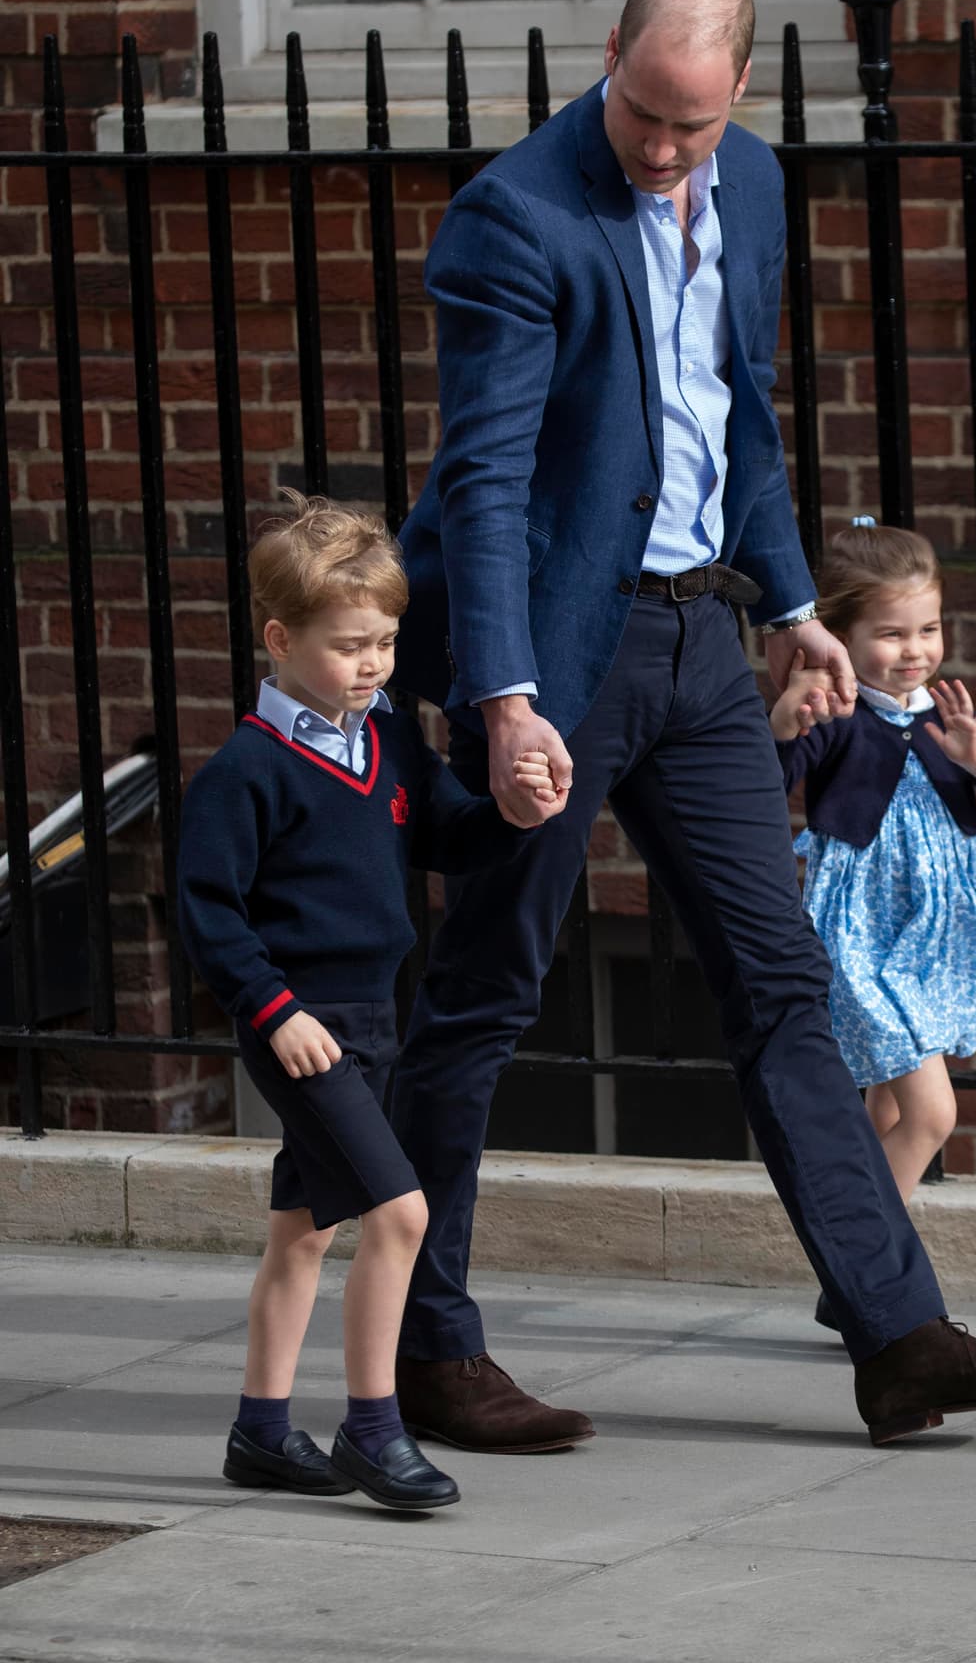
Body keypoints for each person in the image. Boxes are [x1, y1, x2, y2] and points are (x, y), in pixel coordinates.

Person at [390, 0, 976, 1451]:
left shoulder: (757, 187)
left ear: (743, 99)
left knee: (781, 985)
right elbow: (491, 482)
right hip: (561, 665)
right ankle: (424, 1348)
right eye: (647, 115)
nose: (664, 150)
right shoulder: (516, 217)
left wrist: (792, 611)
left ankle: (899, 1338)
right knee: (487, 996)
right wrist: (506, 700)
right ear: (611, 62)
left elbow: (746, 412)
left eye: (694, 127)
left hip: (704, 644)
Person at [177, 492, 554, 1509]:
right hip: (303, 1031)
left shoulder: (384, 738)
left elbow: (445, 834)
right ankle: (372, 1430)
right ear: (279, 639)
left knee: (301, 1230)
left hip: (372, 1018)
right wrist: (273, 1011)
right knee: (400, 1213)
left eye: (385, 642)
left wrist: (510, 815)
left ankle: (260, 1431)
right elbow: (208, 914)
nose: (376, 663)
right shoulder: (245, 773)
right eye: (350, 646)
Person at [770, 518, 976, 1330]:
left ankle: (847, 1285)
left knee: (887, 1111)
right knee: (930, 1114)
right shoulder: (839, 712)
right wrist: (786, 723)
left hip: (934, 939)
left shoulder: (946, 716)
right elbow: (773, 780)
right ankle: (867, 1279)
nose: (914, 650)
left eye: (927, 629)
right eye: (889, 633)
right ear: (842, 636)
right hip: (861, 931)